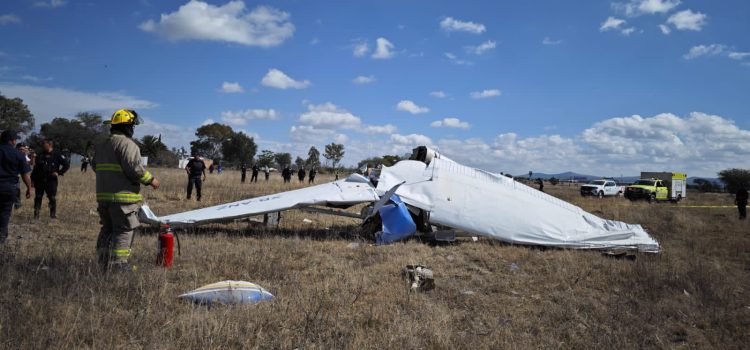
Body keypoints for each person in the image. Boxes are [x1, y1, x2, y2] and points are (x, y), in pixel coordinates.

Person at [92, 109, 160, 271]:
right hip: (123, 198)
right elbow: (134, 169)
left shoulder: (101, 145)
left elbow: (95, 166)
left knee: (107, 228)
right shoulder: (128, 144)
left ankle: (103, 262)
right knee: (124, 230)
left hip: (103, 197)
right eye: (132, 126)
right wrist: (151, 180)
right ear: (127, 127)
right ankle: (119, 265)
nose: (133, 129)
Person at [0, 130, 32, 245]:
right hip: (9, 187)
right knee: (5, 212)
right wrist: (29, 188)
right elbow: (25, 175)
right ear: (13, 141)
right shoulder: (18, 154)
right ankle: (1, 238)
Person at [31, 139, 69, 219]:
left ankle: (52, 215)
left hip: (51, 180)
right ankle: (36, 214)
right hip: (39, 180)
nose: (43, 146)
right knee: (38, 197)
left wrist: (59, 172)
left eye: (44, 144)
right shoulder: (40, 155)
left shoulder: (57, 154)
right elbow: (35, 168)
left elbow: (66, 164)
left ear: (50, 145)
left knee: (52, 197)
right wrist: (32, 180)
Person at [13, 142, 31, 209]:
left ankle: (17, 206)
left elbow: (30, 164)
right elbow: (25, 175)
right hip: (12, 179)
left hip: (15, 179)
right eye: (20, 149)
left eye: (23, 149)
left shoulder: (23, 157)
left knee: (17, 193)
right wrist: (29, 188)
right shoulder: (20, 157)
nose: (22, 151)